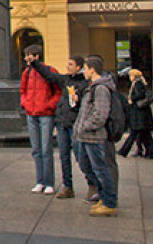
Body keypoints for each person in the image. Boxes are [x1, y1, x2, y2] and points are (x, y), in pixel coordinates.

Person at [30, 54, 90, 199]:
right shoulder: (65, 79)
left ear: (78, 67)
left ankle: (92, 184)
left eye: (70, 64)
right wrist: (35, 63)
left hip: (75, 124)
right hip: (62, 122)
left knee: (80, 156)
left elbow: (88, 102)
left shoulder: (84, 83)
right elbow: (49, 75)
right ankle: (68, 186)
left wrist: (79, 99)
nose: (67, 66)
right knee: (64, 157)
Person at [73, 56, 117, 217]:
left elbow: (100, 114)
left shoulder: (101, 89)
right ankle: (103, 198)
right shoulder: (92, 87)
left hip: (93, 136)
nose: (84, 71)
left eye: (85, 68)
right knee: (90, 167)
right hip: (85, 136)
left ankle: (109, 203)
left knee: (100, 169)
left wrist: (85, 127)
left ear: (92, 69)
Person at [20, 44, 61, 195]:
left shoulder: (50, 71)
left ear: (36, 57)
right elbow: (22, 90)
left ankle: (49, 182)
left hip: (45, 114)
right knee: (36, 149)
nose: (26, 58)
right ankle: (40, 181)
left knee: (46, 149)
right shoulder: (27, 72)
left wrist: (50, 105)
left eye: (28, 56)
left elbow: (58, 91)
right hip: (32, 113)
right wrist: (25, 103)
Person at [120, 69, 153, 159]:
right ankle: (151, 152)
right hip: (142, 114)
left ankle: (124, 151)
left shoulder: (137, 84)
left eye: (130, 76)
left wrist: (132, 98)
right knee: (145, 135)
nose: (129, 77)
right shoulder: (139, 83)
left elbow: (141, 94)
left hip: (140, 114)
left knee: (135, 133)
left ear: (133, 76)